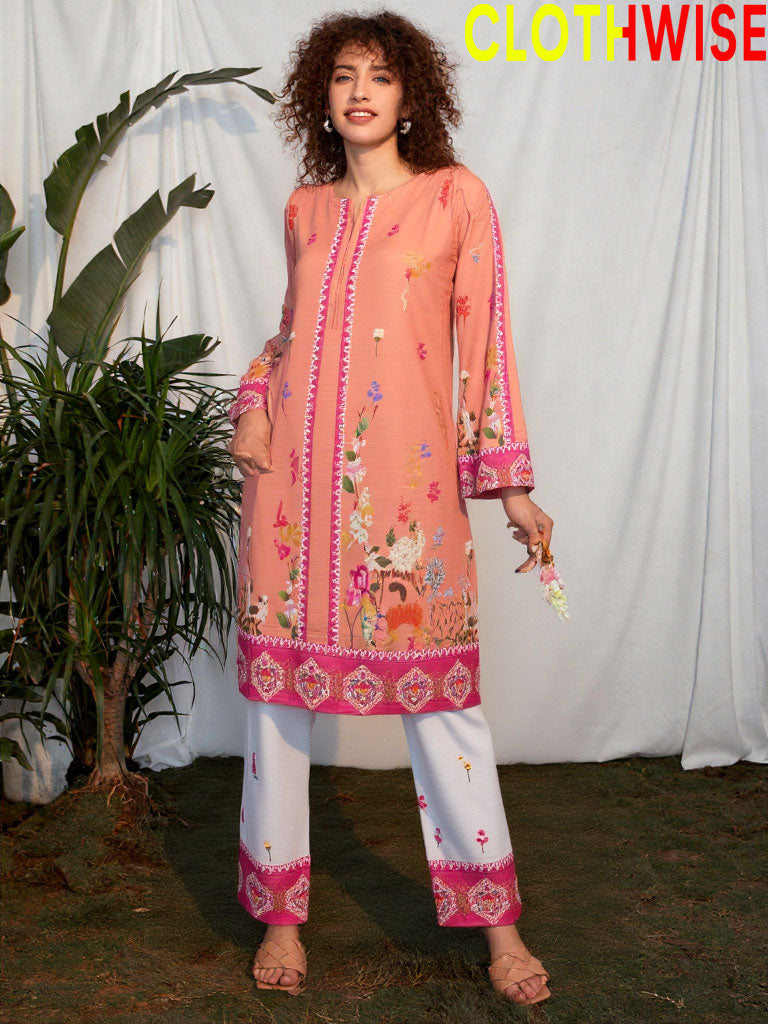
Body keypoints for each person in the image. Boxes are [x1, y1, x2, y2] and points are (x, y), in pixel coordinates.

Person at [227, 10, 554, 1006]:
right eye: (341, 77)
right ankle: (283, 915)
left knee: (444, 702)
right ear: (320, 100)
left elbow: (486, 346)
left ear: (412, 95)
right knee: (276, 703)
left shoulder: (458, 200)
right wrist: (251, 405)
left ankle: (499, 929)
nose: (359, 91)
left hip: (405, 503)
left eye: (379, 76)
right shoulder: (305, 210)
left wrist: (513, 486)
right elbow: (287, 334)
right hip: (289, 492)